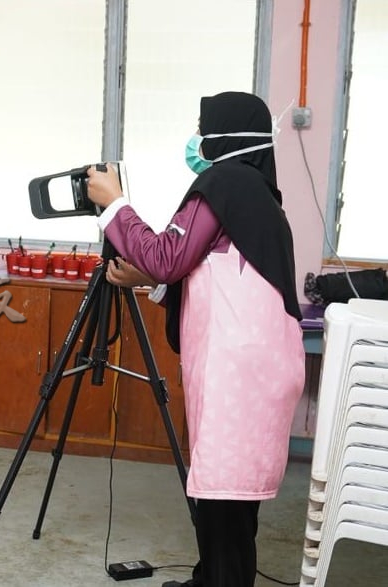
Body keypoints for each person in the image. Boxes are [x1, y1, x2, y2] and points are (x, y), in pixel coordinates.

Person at [86, 92, 305, 587]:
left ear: (224, 136)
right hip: (258, 369)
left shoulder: (224, 182)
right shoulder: (259, 195)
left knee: (223, 499)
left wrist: (113, 203)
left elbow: (169, 256)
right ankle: (209, 578)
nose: (196, 140)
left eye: (202, 128)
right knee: (226, 493)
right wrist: (145, 278)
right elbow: (215, 272)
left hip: (238, 374)